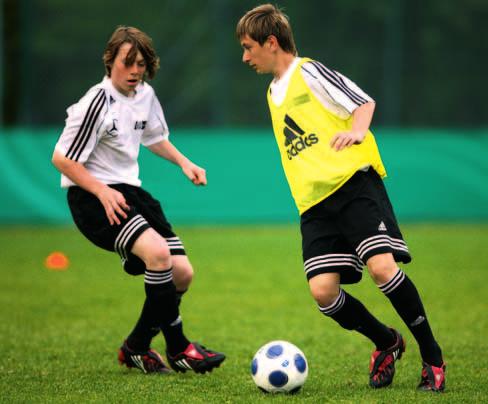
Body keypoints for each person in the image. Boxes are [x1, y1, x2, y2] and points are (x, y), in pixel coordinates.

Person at [236, 4, 445, 392]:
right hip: (314, 204)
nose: (245, 56)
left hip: (353, 186)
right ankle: (386, 341)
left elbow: (362, 102)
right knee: (324, 292)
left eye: (249, 47)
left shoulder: (309, 71)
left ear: (271, 42)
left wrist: (359, 133)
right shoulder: (271, 92)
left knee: (383, 269)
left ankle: (432, 356)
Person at [52, 26, 225, 375]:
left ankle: (136, 347)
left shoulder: (145, 94)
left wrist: (184, 162)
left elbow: (154, 136)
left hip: (130, 192)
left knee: (182, 274)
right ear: (110, 61)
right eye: (127, 62)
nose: (134, 70)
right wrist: (100, 191)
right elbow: (62, 158)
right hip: (92, 196)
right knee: (159, 256)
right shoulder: (95, 102)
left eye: (141, 63)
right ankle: (179, 348)